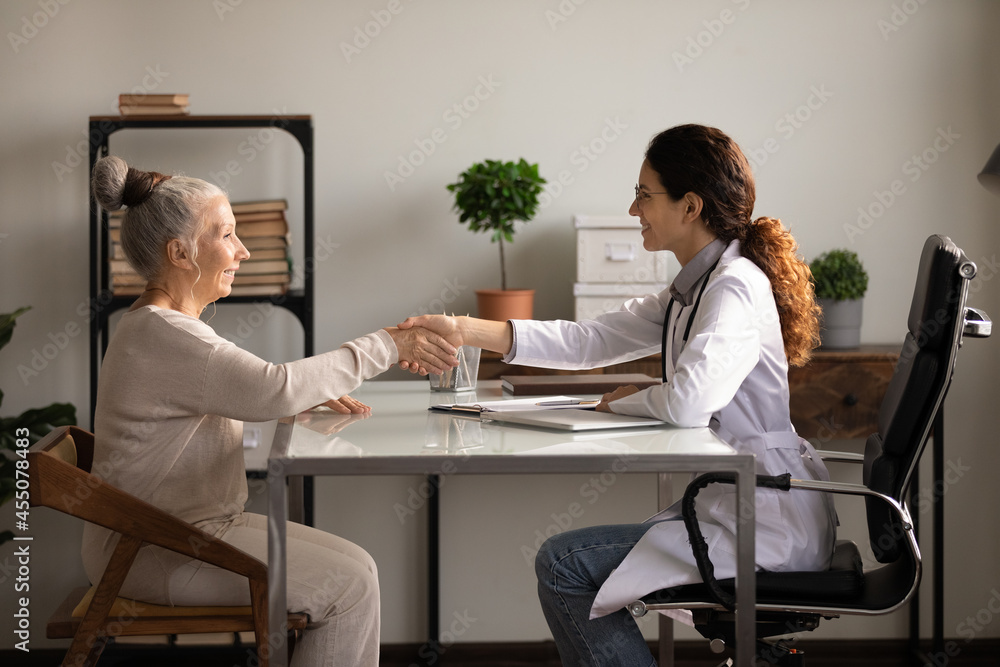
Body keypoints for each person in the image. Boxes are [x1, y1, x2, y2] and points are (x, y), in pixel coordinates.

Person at [397, 124, 837, 666]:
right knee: (570, 563)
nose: (634, 210)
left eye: (645, 195)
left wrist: (630, 395)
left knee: (564, 565)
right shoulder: (693, 288)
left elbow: (687, 404)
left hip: (765, 524)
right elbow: (590, 340)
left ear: (690, 205)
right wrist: (466, 329)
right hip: (741, 504)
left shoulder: (734, 287)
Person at [84, 156, 460, 667]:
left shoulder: (157, 326)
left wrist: (298, 394)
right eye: (226, 235)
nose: (241, 250)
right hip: (155, 550)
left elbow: (252, 392)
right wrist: (390, 345)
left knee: (361, 569)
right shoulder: (165, 334)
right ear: (180, 252)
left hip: (178, 532)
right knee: (346, 589)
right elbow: (273, 388)